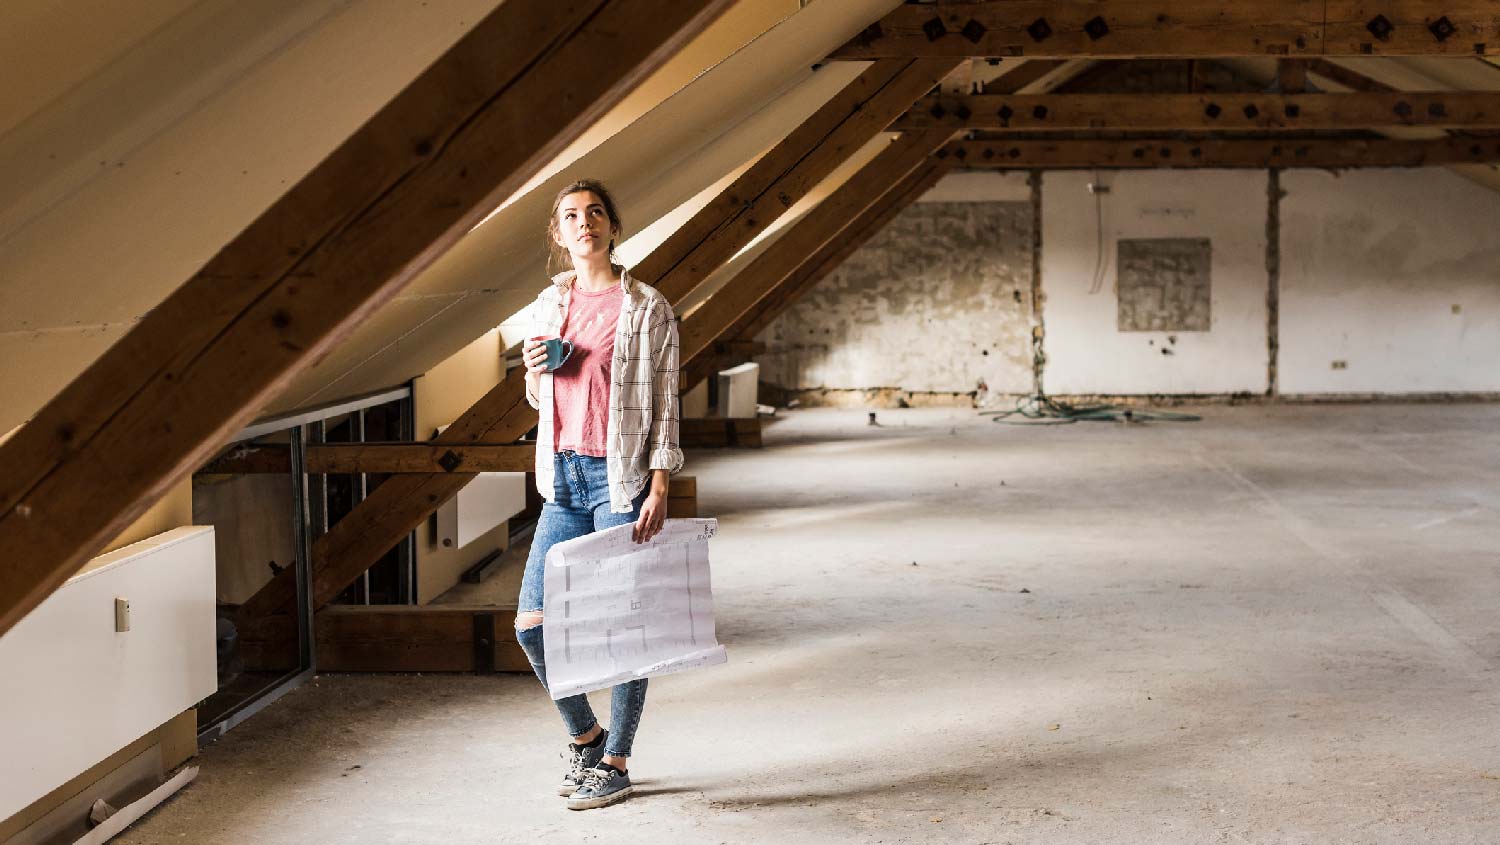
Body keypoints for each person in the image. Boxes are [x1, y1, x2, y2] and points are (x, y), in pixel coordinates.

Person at [513, 179, 682, 810]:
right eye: (570, 217)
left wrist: (659, 483)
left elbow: (666, 403)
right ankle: (586, 736)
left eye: (595, 213)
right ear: (558, 235)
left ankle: (616, 761)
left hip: (619, 479)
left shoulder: (647, 308)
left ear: (612, 226)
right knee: (532, 624)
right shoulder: (547, 306)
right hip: (561, 480)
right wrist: (532, 371)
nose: (584, 224)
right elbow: (539, 398)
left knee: (619, 628)